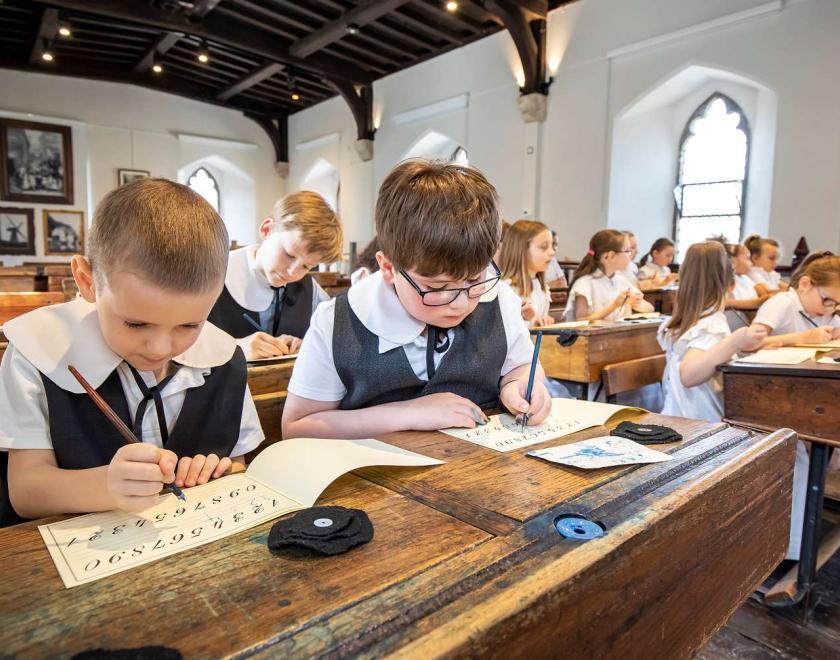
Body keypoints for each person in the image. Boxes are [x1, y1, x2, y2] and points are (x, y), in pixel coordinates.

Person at [0, 179, 264, 521]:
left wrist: (215, 472)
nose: (160, 348)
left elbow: (237, 462)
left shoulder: (224, 357)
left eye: (189, 325)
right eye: (136, 325)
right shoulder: (38, 350)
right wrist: (106, 486)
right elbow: (25, 491)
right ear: (87, 281)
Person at [281, 160, 552, 440]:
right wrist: (408, 412)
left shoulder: (500, 299)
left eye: (473, 281)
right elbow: (297, 426)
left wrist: (518, 387)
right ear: (388, 268)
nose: (460, 303)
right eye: (438, 287)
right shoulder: (337, 321)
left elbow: (520, 368)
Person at [207, 191, 343, 359]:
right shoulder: (210, 273)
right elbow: (172, 347)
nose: (293, 272)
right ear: (267, 230)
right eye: (289, 254)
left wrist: (307, 344)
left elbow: (331, 340)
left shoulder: (311, 292)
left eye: (307, 266)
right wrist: (236, 348)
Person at [658, 241, 767, 422]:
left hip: (679, 415)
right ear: (730, 285)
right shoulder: (710, 325)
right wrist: (734, 341)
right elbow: (688, 374)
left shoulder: (689, 318)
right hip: (699, 424)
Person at [564, 229, 654, 322]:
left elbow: (650, 309)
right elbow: (581, 319)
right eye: (628, 251)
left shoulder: (621, 280)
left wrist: (637, 302)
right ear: (611, 256)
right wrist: (614, 306)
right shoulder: (584, 283)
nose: (630, 255)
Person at [752, 252, 840, 346]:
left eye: (836, 305)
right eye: (827, 301)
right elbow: (749, 344)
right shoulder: (782, 302)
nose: (829, 310)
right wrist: (803, 338)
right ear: (805, 284)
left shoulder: (828, 314)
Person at [498, 219, 556, 328]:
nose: (552, 252)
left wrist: (544, 321)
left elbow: (538, 324)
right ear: (521, 250)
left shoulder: (543, 288)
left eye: (553, 246)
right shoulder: (506, 289)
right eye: (544, 247)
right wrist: (529, 322)